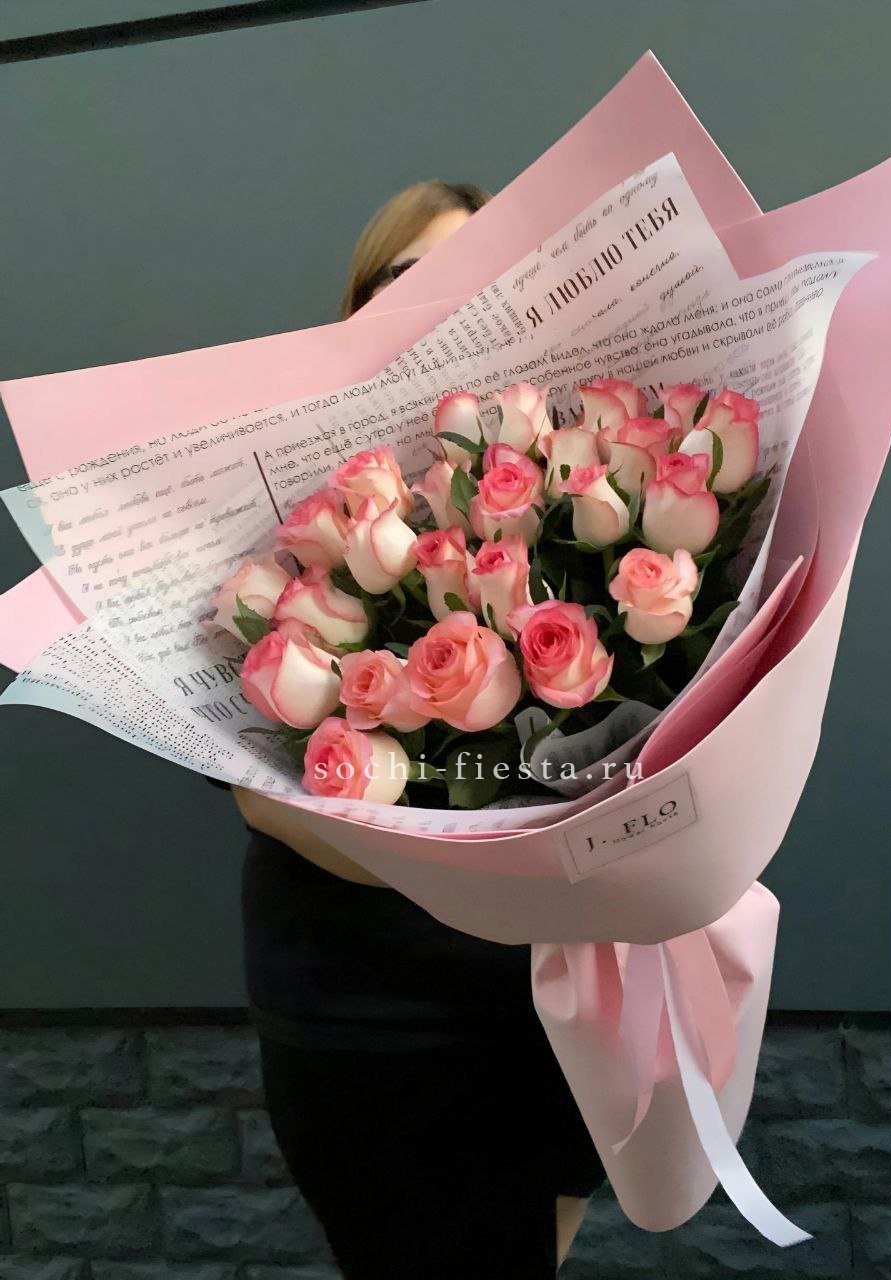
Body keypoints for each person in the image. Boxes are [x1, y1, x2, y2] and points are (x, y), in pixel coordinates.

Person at [214, 179, 607, 1279]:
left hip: (550, 998)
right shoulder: (276, 492)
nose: (443, 297)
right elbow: (255, 791)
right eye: (409, 275)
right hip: (367, 1005)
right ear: (358, 301)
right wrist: (482, 869)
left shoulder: (572, 475)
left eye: (477, 273)